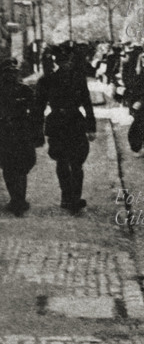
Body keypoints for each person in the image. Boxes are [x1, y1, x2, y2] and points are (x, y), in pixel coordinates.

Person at [34, 45, 96, 214]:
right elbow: (38, 108)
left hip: (75, 123)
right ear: (57, 62)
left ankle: (75, 197)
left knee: (77, 161)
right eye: (61, 61)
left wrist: (91, 126)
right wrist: (37, 131)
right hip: (57, 124)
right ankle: (67, 197)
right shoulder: (46, 81)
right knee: (62, 160)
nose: (65, 64)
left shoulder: (78, 78)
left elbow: (87, 103)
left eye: (67, 61)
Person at [0, 58, 40, 216]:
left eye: (14, 72)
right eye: (7, 73)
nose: (11, 75)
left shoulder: (25, 90)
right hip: (4, 133)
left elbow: (35, 113)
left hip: (22, 132)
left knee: (23, 165)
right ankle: (16, 199)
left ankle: (20, 198)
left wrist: (36, 133)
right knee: (8, 166)